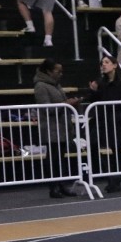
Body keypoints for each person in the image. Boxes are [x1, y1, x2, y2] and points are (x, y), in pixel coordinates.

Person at [87, 54, 121, 193]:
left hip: (117, 120)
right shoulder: (101, 82)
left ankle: (116, 179)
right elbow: (94, 100)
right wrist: (93, 91)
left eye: (107, 62)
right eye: (102, 63)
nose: (103, 65)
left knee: (117, 150)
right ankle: (110, 176)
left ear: (115, 65)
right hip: (102, 120)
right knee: (95, 146)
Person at [33, 58, 82, 199]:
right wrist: (66, 104)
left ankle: (61, 185)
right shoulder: (41, 86)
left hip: (60, 126)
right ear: (49, 71)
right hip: (50, 127)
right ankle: (53, 187)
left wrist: (68, 103)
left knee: (60, 158)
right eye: (57, 71)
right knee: (53, 158)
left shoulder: (55, 84)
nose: (60, 74)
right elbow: (47, 108)